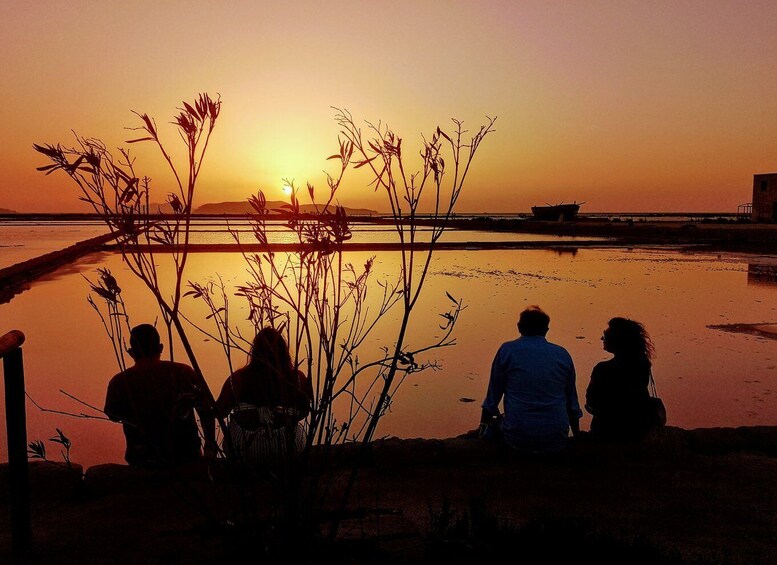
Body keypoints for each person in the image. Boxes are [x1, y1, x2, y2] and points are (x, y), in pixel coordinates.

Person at [104, 324, 216, 467]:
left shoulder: (120, 382)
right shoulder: (183, 373)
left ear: (131, 352)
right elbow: (206, 411)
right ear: (161, 348)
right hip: (186, 456)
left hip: (142, 458)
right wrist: (210, 446)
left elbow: (112, 413)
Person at [480, 305, 582, 454]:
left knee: (499, 424)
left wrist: (482, 428)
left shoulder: (508, 350)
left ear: (519, 327)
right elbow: (571, 401)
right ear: (546, 330)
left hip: (517, 438)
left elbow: (492, 398)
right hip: (556, 438)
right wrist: (577, 435)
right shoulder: (562, 354)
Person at [216, 327, 312, 465]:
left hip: (244, 448)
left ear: (254, 352)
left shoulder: (238, 379)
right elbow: (304, 411)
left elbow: (220, 411)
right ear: (284, 352)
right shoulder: (297, 378)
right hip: (287, 446)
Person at [585, 317, 657, 442]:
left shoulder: (602, 369)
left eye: (605, 335)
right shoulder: (643, 366)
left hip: (607, 430)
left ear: (617, 340)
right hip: (637, 429)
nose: (602, 339)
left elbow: (591, 401)